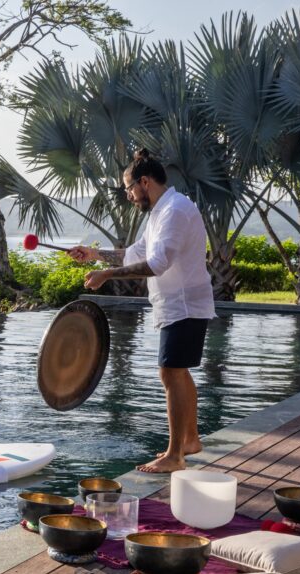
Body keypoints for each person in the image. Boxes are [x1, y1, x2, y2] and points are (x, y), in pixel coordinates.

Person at [68, 149, 214, 474]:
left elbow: (157, 264)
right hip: (180, 304)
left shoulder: (174, 211)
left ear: (144, 182)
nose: (129, 196)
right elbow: (134, 253)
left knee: (171, 372)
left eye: (129, 189)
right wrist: (94, 254)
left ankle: (175, 455)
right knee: (177, 371)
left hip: (185, 303)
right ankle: (190, 440)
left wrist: (106, 275)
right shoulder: (161, 212)